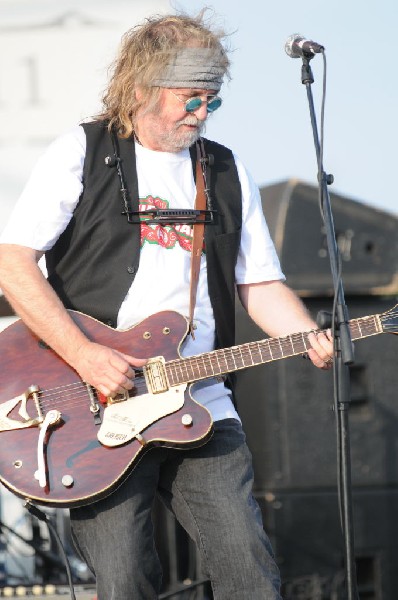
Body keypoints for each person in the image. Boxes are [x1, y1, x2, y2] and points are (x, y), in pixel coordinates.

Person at [0, 10, 334, 600]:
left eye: (213, 100)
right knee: (126, 579)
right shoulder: (83, 151)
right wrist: (83, 355)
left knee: (249, 570)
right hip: (96, 404)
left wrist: (307, 333)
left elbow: (258, 284)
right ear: (141, 89)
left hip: (199, 398)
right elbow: (13, 261)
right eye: (190, 98)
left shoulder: (225, 170)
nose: (201, 113)